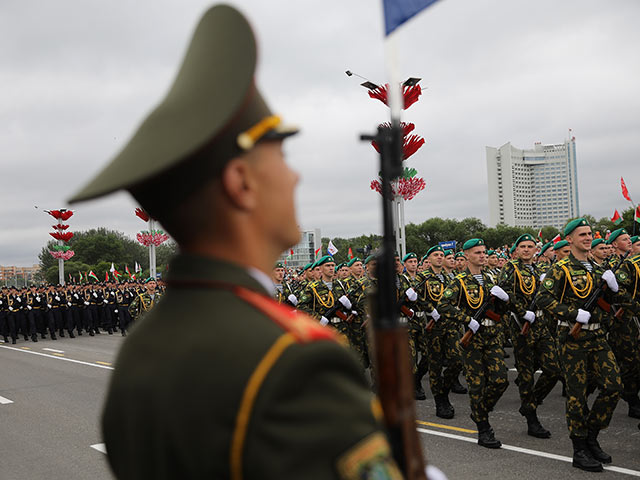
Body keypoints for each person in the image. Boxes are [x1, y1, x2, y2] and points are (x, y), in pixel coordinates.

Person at [70, 6, 406, 479]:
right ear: (241, 183)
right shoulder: (295, 359)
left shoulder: (142, 348)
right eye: (282, 156)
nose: (296, 175)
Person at [537, 218, 622, 472]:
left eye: (589, 233)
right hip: (573, 339)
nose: (588, 237)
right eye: (582, 234)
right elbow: (543, 299)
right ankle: (579, 449)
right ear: (570, 239)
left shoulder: (598, 269)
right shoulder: (560, 268)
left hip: (597, 337)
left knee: (613, 386)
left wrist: (613, 289)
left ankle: (591, 435)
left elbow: (609, 303)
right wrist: (571, 314)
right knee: (577, 395)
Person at [437, 238, 510, 448]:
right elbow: (443, 306)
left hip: (492, 335)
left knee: (500, 380)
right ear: (466, 255)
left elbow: (502, 310)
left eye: (484, 252)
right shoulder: (459, 281)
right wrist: (467, 320)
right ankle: (484, 429)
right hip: (472, 338)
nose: (482, 255)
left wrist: (505, 300)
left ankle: (478, 412)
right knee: (477, 385)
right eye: (477, 252)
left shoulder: (490, 278)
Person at [499, 234, 560, 438]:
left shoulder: (541, 269)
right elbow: (505, 293)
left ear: (536, 249)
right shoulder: (510, 268)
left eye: (530, 246)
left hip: (541, 324)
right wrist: (522, 311)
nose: (526, 249)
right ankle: (532, 419)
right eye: (522, 246)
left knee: (553, 369)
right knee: (526, 375)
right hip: (521, 324)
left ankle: (529, 403)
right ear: (516, 250)